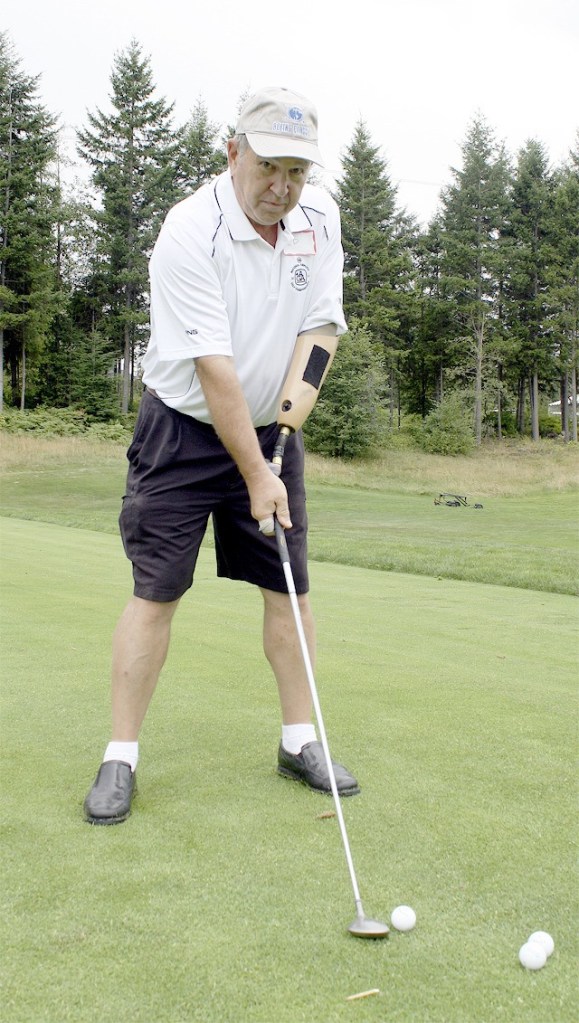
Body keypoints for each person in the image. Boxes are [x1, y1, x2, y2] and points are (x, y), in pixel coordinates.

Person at [83, 86, 359, 825]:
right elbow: (215, 370)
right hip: (180, 433)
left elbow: (320, 331)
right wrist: (257, 473)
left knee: (288, 590)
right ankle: (120, 755)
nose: (281, 187)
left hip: (270, 434)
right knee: (157, 591)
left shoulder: (320, 218)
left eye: (296, 172)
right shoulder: (188, 231)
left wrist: (286, 429)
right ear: (233, 152)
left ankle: (299, 740)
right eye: (268, 166)